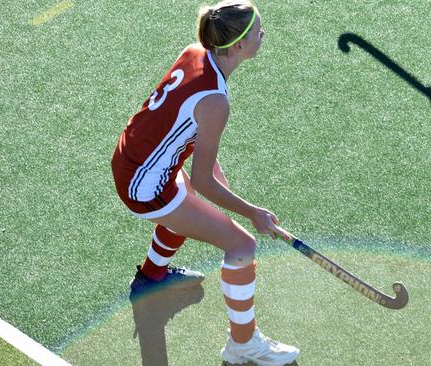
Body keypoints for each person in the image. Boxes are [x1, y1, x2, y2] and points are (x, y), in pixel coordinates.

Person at [110, 1, 299, 364]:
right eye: (259, 30)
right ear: (239, 46)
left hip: (131, 158)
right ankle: (243, 345)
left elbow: (193, 145)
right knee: (241, 246)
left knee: (194, 202)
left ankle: (151, 278)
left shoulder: (195, 52)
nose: (263, 34)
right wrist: (253, 214)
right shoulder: (216, 101)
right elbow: (202, 178)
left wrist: (229, 204)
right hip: (145, 185)